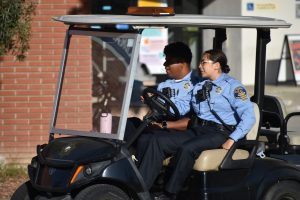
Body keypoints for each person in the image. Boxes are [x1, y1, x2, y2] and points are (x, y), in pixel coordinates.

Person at [137, 49, 256, 200]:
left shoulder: (233, 87)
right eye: (200, 62)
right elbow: (182, 109)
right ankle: (140, 191)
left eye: (204, 62)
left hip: (221, 133)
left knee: (187, 148)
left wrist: (232, 139)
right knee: (157, 140)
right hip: (199, 130)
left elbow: (249, 117)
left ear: (216, 65)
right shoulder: (200, 86)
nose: (200, 66)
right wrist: (155, 101)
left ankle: (170, 194)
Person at [124, 42, 200, 143]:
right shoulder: (164, 85)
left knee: (149, 139)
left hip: (177, 131)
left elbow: (194, 121)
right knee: (126, 124)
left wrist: (163, 125)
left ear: (182, 63)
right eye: (165, 60)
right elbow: (154, 111)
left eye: (169, 61)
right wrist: (149, 102)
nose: (165, 65)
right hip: (158, 126)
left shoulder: (197, 85)